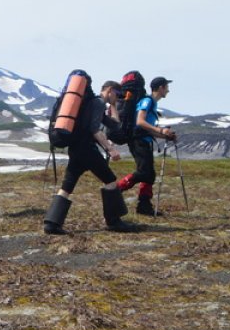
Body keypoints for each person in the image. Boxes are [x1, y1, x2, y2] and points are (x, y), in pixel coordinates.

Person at [43, 80, 136, 235]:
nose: (118, 98)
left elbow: (115, 125)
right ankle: (114, 221)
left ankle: (52, 223)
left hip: (75, 149)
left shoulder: (93, 103)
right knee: (110, 180)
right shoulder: (98, 103)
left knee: (68, 185)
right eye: (117, 95)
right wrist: (110, 149)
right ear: (110, 90)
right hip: (87, 149)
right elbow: (95, 130)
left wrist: (113, 105)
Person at [115, 76, 177, 216]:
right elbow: (140, 122)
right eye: (166, 87)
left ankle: (144, 206)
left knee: (149, 175)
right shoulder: (147, 101)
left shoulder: (151, 103)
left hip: (144, 140)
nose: (168, 90)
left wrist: (166, 136)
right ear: (161, 87)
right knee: (144, 172)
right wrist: (161, 131)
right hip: (138, 141)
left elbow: (147, 129)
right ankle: (115, 190)